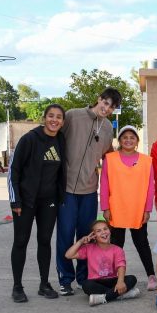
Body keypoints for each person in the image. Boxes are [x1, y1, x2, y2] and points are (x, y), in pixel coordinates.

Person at [56, 87, 119, 296]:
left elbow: (109, 158)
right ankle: (65, 280)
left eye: (111, 107)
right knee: (65, 235)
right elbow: (54, 138)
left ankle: (84, 279)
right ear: (98, 99)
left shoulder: (108, 127)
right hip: (66, 188)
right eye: (106, 103)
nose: (107, 108)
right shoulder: (73, 116)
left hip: (90, 189)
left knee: (87, 236)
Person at [8, 104, 66, 303]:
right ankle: (17, 286)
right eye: (51, 116)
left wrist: (60, 197)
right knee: (21, 241)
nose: (54, 120)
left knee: (44, 241)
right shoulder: (29, 139)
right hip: (25, 201)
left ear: (63, 122)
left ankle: (44, 284)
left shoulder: (60, 140)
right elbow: (13, 171)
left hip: (48, 202)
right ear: (44, 118)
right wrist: (15, 199)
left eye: (59, 117)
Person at [100, 125, 157, 291]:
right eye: (125, 137)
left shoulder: (147, 161)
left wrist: (147, 209)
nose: (128, 140)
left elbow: (150, 187)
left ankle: (151, 275)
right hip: (116, 207)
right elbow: (104, 185)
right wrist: (105, 207)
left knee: (142, 242)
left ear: (137, 141)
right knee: (117, 244)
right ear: (119, 140)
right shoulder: (110, 159)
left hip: (138, 208)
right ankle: (113, 276)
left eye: (132, 137)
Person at [64, 219, 140, 306]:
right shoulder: (89, 248)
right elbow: (68, 255)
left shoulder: (117, 250)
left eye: (105, 229)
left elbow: (121, 266)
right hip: (96, 281)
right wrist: (81, 241)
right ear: (94, 235)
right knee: (86, 285)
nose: (103, 232)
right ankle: (121, 295)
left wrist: (120, 282)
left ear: (110, 231)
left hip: (112, 281)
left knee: (132, 279)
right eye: (98, 231)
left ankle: (103, 298)